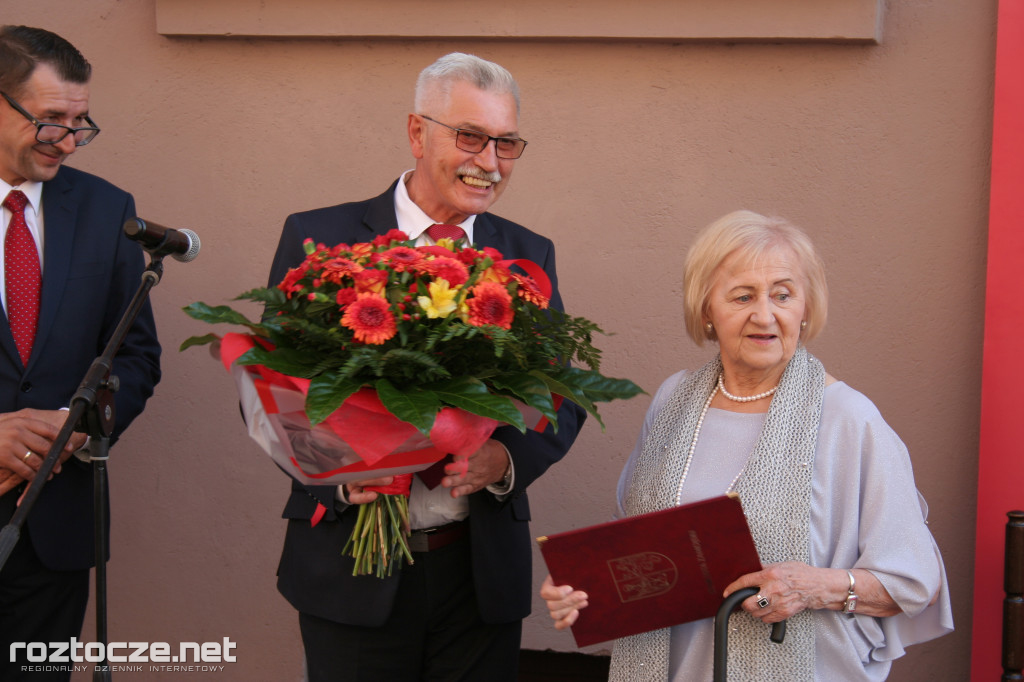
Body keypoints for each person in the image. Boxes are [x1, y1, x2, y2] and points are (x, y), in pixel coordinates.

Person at [267, 52, 585, 681]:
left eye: (507, 144)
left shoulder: (528, 253)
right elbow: (276, 386)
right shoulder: (321, 238)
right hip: (350, 568)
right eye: (470, 137)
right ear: (417, 132)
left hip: (478, 575)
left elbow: (560, 396)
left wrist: (504, 461)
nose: (488, 162)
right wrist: (335, 469)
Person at [541, 210, 953, 681]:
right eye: (742, 296)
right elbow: (635, 542)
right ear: (706, 310)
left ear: (806, 307)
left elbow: (915, 582)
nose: (765, 315)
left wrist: (813, 588)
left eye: (783, 294)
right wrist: (584, 585)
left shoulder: (847, 418)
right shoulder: (675, 399)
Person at [0, 25, 162, 682]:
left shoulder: (107, 210)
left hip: (52, 532)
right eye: (50, 122)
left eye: (80, 122)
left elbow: (137, 357)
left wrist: (75, 429)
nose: (67, 140)